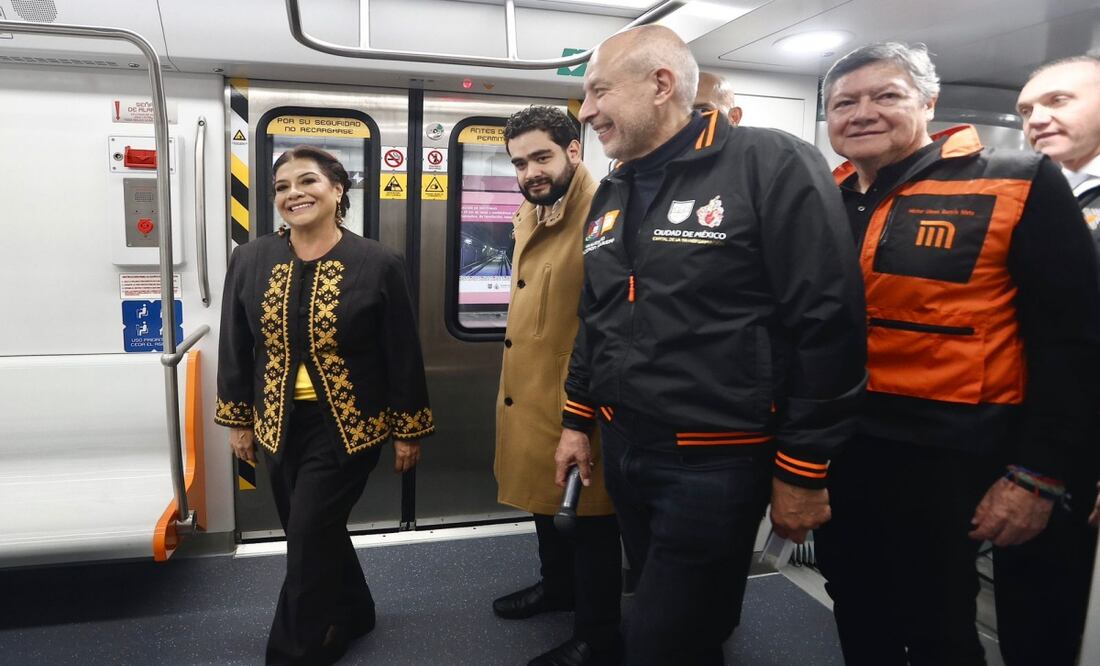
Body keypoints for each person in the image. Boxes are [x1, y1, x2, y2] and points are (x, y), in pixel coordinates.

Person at [555, 25, 867, 665]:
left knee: (656, 639)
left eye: (598, 92)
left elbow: (827, 324)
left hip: (715, 462)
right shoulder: (615, 188)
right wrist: (577, 419)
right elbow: (599, 316)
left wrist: (803, 470)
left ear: (660, 84)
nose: (586, 112)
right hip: (627, 449)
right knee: (681, 615)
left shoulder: (770, 163)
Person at [814, 42, 1100, 666]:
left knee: (937, 614)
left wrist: (1038, 474)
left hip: (952, 457)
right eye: (844, 102)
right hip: (843, 449)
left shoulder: (1017, 180)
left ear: (928, 102)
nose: (862, 112)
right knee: (854, 596)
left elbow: (1072, 343)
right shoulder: (823, 200)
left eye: (885, 95)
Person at [215, 146, 434, 665]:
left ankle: (294, 653)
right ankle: (355, 611)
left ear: (338, 190)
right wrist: (238, 421)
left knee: (308, 539)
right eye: (283, 186)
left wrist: (408, 428)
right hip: (277, 422)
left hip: (347, 425)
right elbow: (235, 343)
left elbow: (402, 352)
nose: (294, 193)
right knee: (312, 530)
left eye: (307, 181)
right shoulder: (251, 258)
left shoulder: (377, 262)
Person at [491, 106, 623, 666]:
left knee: (589, 520)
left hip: (579, 398)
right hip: (530, 389)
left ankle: (598, 636)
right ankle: (557, 588)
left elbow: (610, 321)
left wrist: (582, 410)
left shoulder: (607, 213)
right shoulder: (534, 209)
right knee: (544, 504)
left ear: (574, 150)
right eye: (519, 162)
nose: (530, 173)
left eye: (541, 157)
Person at [996, 54, 1100, 666]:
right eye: (1027, 110)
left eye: (1058, 101)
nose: (1036, 119)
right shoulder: (1033, 198)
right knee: (1032, 623)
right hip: (1032, 451)